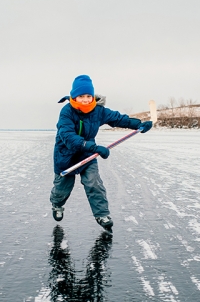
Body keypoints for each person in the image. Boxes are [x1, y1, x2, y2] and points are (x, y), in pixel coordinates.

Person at [50, 75, 152, 231]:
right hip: (66, 155)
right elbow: (68, 137)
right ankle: (57, 205)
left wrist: (138, 124)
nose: (85, 99)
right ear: (74, 96)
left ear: (93, 96)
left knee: (94, 183)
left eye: (88, 96)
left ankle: (102, 215)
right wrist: (94, 147)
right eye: (81, 96)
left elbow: (118, 119)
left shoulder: (98, 111)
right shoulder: (67, 112)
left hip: (87, 154)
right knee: (62, 189)